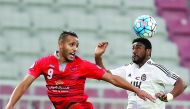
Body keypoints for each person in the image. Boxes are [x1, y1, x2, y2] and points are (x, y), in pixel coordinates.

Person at [6, 31, 155, 109]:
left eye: (77, 45)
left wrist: (137, 90)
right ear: (60, 44)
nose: (75, 49)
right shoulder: (43, 63)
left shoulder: (82, 65)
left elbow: (112, 78)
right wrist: (10, 105)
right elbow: (24, 84)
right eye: (71, 45)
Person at [95, 38, 187, 109]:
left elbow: (182, 83)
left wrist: (168, 96)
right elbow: (105, 75)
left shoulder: (156, 68)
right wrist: (98, 56)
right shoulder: (128, 68)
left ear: (148, 51)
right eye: (133, 48)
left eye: (138, 48)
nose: (134, 51)